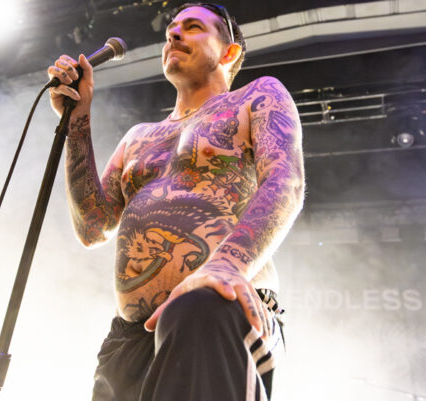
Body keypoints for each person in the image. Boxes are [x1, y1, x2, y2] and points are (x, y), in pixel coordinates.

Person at [47, 3, 304, 400]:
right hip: (129, 340)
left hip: (218, 308)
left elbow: (286, 182)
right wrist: (77, 122)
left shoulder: (257, 97)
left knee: (196, 310)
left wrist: (225, 265)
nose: (174, 33)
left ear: (229, 51)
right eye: (172, 28)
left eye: (193, 26)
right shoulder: (137, 137)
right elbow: (93, 228)